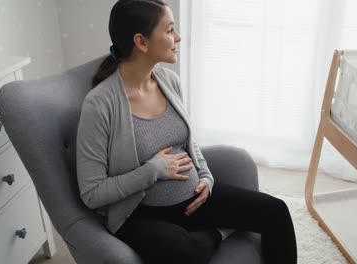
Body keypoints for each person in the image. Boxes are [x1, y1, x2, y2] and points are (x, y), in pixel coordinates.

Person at [76, 0, 297, 263]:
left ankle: (207, 232)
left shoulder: (169, 81)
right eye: (169, 30)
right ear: (142, 42)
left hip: (194, 201)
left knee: (276, 212)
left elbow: (190, 144)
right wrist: (153, 170)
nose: (178, 37)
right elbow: (92, 193)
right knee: (187, 253)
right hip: (140, 213)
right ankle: (216, 234)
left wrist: (206, 177)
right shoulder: (100, 104)